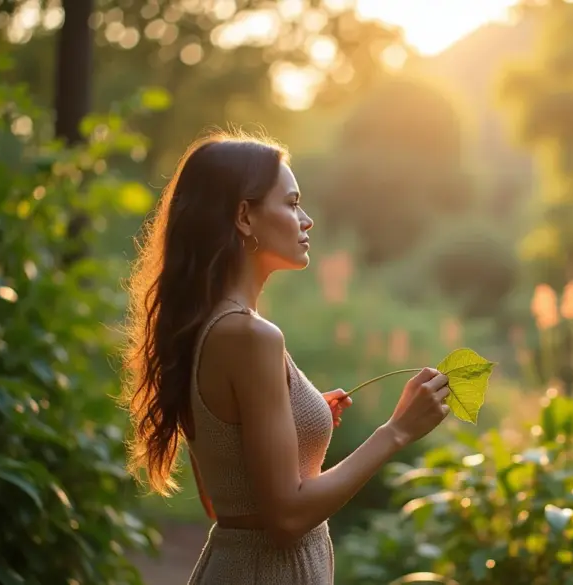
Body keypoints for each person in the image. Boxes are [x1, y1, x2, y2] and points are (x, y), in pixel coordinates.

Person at [120, 131, 452, 584]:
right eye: (292, 203)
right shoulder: (249, 336)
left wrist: (297, 426)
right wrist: (396, 432)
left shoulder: (209, 325)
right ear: (244, 216)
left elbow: (229, 498)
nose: (307, 219)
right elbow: (286, 519)